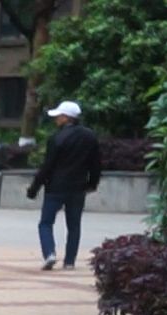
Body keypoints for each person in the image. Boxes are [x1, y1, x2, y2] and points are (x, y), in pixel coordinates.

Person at [28, 101, 102, 272]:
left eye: (58, 116)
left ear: (66, 117)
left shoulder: (57, 138)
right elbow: (96, 163)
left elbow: (48, 166)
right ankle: (69, 261)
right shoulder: (90, 136)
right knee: (74, 225)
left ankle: (49, 253)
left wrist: (34, 188)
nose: (56, 120)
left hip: (56, 186)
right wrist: (92, 183)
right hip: (78, 187)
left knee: (45, 222)